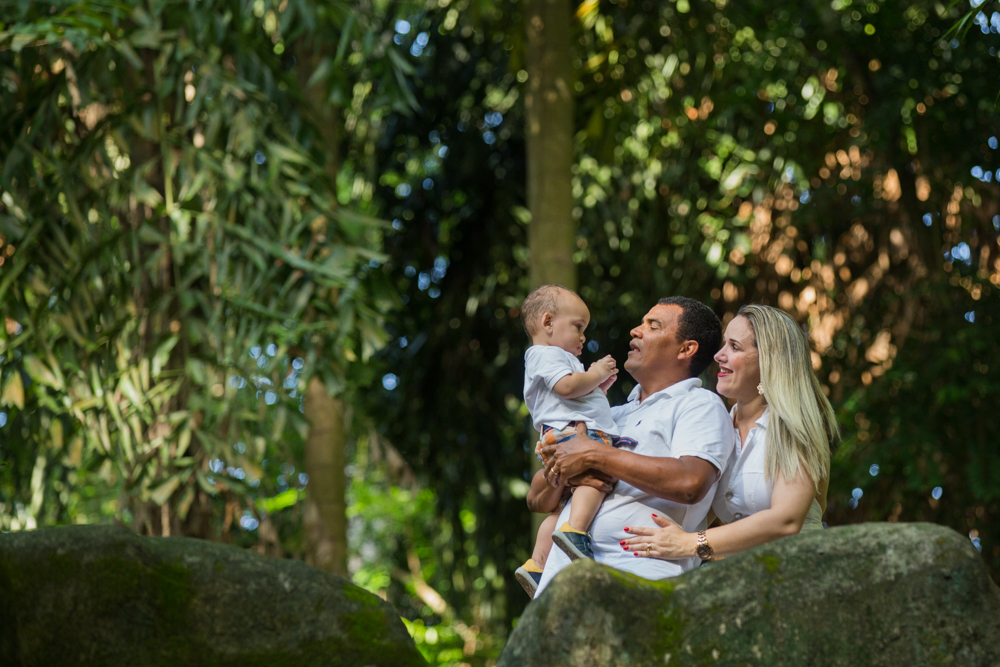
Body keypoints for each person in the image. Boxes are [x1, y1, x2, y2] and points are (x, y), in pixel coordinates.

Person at [528, 297, 733, 597]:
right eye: (641, 323)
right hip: (560, 584)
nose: (636, 331)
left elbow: (691, 482)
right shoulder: (612, 415)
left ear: (686, 349)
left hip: (640, 581)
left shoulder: (700, 404)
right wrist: (564, 467)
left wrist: (594, 453)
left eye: (653, 326)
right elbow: (536, 500)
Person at [619, 304, 839, 563]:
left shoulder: (794, 424)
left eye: (734, 347)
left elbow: (786, 520)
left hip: (799, 569)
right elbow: (695, 510)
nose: (718, 355)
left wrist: (691, 543)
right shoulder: (718, 425)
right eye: (724, 344)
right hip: (743, 574)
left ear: (769, 361)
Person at [513, 285, 629, 597]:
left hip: (565, 431)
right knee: (597, 479)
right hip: (574, 435)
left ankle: (538, 564)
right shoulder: (546, 355)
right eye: (578, 327)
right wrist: (595, 372)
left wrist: (598, 387)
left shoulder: (552, 357)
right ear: (548, 322)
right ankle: (575, 532)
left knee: (563, 506)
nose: (582, 337)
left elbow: (574, 397)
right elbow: (566, 388)